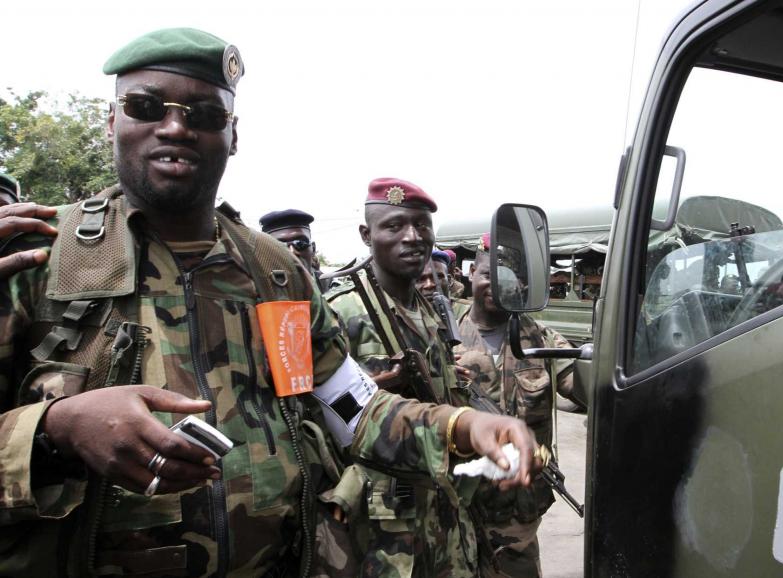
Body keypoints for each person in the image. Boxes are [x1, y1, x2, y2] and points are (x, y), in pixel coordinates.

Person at [0, 29, 539, 577]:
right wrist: (54, 431)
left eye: (206, 115)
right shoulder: (36, 256)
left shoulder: (276, 272)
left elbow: (351, 408)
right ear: (112, 121)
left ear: (233, 135)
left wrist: (463, 427)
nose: (175, 127)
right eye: (145, 106)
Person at [327, 177, 485, 576]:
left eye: (422, 225)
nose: (413, 237)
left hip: (444, 508)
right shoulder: (341, 312)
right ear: (367, 235)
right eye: (394, 226)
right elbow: (314, 420)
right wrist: (369, 393)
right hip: (385, 524)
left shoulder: (428, 310)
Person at [455, 235, 585, 578]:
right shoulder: (443, 335)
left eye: (508, 279)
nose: (497, 287)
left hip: (517, 514)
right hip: (457, 505)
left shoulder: (542, 340)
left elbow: (580, 387)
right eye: (488, 275)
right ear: (471, 273)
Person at [260, 208, 332, 292]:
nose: (292, 251)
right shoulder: (257, 291)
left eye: (300, 243)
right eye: (280, 246)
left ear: (313, 249)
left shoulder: (330, 286)